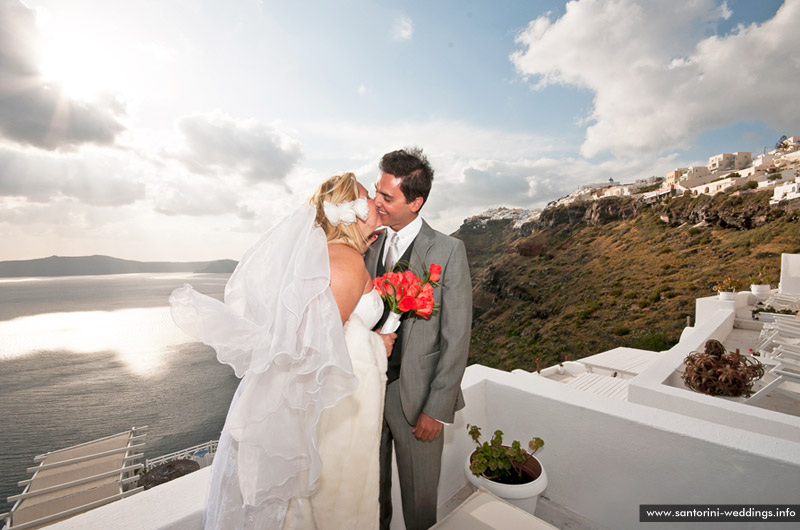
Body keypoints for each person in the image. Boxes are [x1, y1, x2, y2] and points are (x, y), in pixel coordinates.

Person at [170, 173, 395, 530]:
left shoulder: (328, 258)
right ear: (349, 210)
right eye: (367, 196)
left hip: (342, 406)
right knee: (331, 507)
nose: (374, 204)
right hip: (338, 416)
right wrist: (375, 344)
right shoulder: (346, 264)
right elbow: (313, 355)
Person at [364, 148, 472, 530]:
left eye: (387, 197)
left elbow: (456, 336)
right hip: (368, 394)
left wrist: (436, 408)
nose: (376, 201)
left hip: (418, 403)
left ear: (415, 202)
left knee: (419, 502)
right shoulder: (369, 244)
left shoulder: (448, 250)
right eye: (377, 191)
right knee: (370, 497)